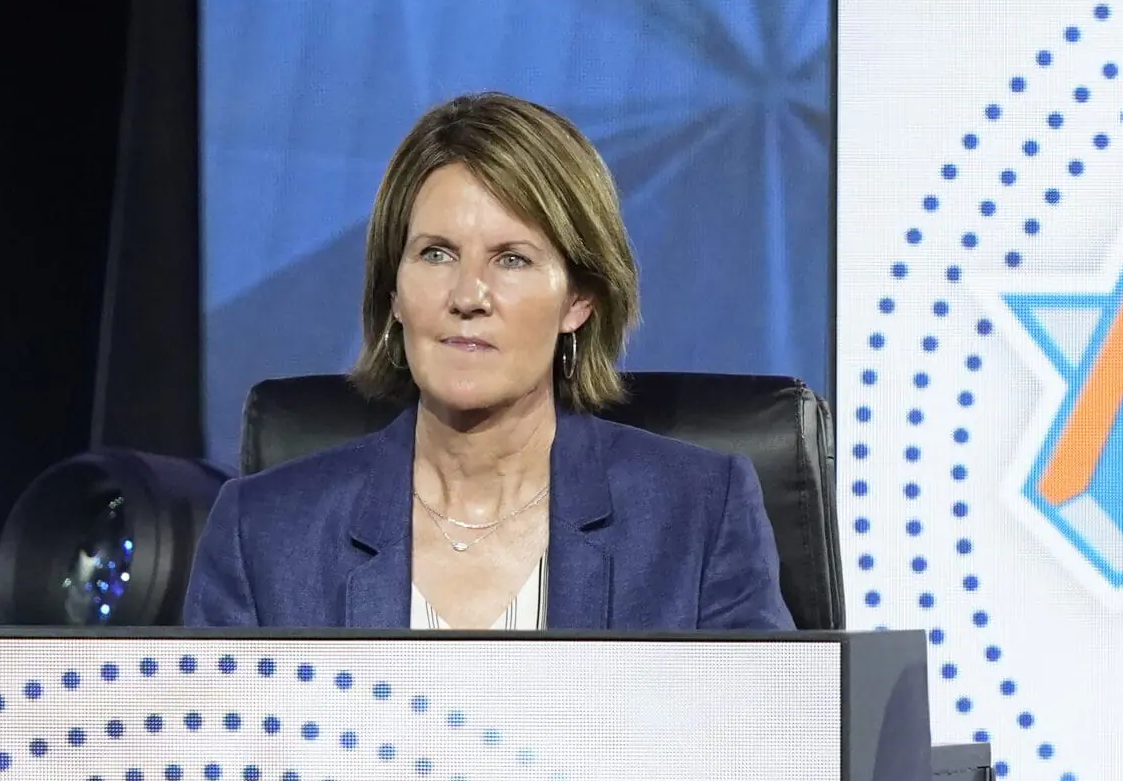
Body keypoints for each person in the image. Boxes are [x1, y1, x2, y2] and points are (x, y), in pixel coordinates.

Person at [182, 91, 792, 631]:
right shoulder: (261, 533)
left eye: (512, 259)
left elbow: (763, 752)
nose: (467, 297)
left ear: (579, 300)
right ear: (393, 293)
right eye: (437, 254)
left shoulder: (699, 518)